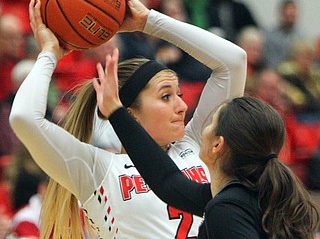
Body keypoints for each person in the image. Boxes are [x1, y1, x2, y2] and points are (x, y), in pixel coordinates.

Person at [9, 0, 246, 238]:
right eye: (166, 96)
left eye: (179, 94)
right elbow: (24, 118)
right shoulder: (97, 169)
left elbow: (234, 61)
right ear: (129, 112)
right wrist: (49, 53)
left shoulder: (196, 142)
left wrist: (148, 21)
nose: (183, 105)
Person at [96, 69, 320, 238]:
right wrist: (116, 112)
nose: (202, 127)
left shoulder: (226, 209)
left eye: (211, 123)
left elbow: (232, 61)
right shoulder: (258, 193)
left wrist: (149, 21)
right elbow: (166, 182)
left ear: (217, 145)